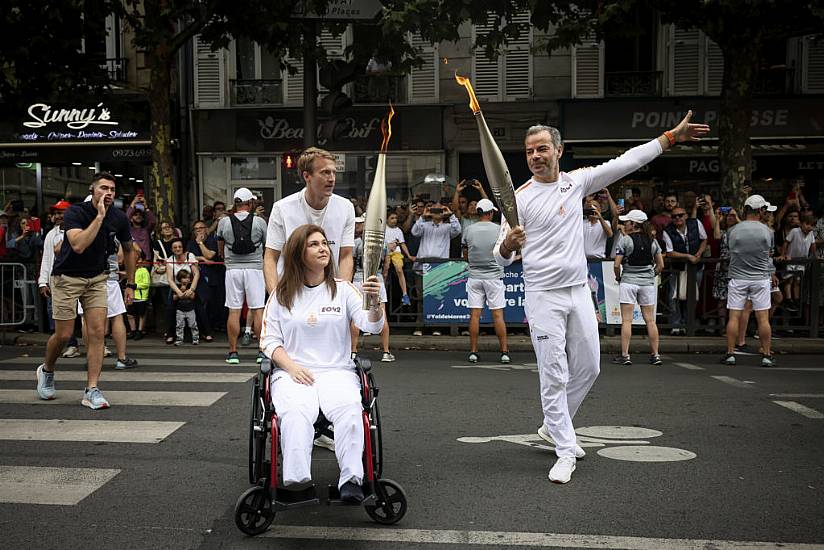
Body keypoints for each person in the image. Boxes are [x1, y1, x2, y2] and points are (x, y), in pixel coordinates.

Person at [494, 113, 709, 484]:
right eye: (529, 151)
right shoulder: (519, 199)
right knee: (554, 374)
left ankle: (552, 426)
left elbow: (627, 161)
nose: (535, 156)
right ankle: (564, 449)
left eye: (542, 148)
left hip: (578, 291)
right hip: (543, 296)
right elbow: (500, 256)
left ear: (559, 151)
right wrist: (508, 247)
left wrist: (670, 138)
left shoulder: (576, 183)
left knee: (590, 367)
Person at [260, 224, 384, 504]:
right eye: (314, 244)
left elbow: (371, 325)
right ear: (297, 253)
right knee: (294, 413)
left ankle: (352, 480)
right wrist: (291, 367)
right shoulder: (281, 295)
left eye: (324, 243)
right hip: (293, 372)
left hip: (337, 371)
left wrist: (374, 300)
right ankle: (296, 479)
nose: (323, 248)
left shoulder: (344, 290)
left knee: (352, 411)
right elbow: (268, 341)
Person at [35, 173, 136, 409]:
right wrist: (100, 217)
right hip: (67, 277)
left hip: (97, 279)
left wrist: (130, 284)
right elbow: (79, 244)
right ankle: (47, 370)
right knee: (63, 334)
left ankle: (92, 389)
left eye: (112, 189)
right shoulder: (75, 213)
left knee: (97, 333)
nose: (109, 193)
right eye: (104, 188)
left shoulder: (119, 218)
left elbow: (130, 250)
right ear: (93, 190)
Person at [264, 147, 355, 294]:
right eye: (325, 172)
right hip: (291, 291)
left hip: (329, 292)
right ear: (307, 176)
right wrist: (275, 297)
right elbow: (270, 257)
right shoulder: (282, 208)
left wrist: (343, 297)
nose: (332, 178)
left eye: (333, 172)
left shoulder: (346, 207)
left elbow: (345, 256)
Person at [721, 195, 778, 367]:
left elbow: (731, 250)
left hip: (738, 277)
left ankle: (730, 353)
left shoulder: (733, 231)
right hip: (760, 278)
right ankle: (766, 354)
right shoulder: (768, 231)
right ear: (760, 211)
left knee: (734, 316)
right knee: (763, 318)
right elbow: (770, 252)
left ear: (745, 210)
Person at [217, 187, 268, 364]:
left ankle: (233, 353)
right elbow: (267, 247)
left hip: (233, 270)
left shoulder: (223, 222)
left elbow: (220, 246)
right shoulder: (259, 222)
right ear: (250, 203)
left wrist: (226, 259)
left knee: (234, 310)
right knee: (258, 309)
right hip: (254, 269)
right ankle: (261, 351)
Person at [611, 210, 664, 366]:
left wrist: (619, 277)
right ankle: (655, 355)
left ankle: (625, 355)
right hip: (647, 283)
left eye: (627, 222)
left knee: (627, 320)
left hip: (628, 281)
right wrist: (650, 275)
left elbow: (616, 264)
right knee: (650, 321)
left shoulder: (625, 240)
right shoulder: (652, 241)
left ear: (634, 224)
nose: (625, 224)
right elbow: (660, 265)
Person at [461, 199, 510, 364]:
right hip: (494, 277)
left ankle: (473, 352)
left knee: (474, 315)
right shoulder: (499, 229)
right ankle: (504, 352)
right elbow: (505, 252)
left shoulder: (468, 230)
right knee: (498, 315)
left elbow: (465, 254)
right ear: (490, 213)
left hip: (475, 276)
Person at [351, 215, 394, 362]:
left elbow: (351, 264)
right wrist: (383, 278)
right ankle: (386, 352)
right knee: (382, 314)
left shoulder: (356, 243)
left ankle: (353, 351)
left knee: (355, 316)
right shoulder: (384, 243)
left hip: (358, 279)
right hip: (377, 279)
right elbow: (387, 265)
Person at [663, 206, 708, 335]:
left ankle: (688, 323)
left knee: (692, 297)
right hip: (678, 268)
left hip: (696, 267)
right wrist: (688, 257)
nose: (677, 218)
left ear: (686, 216)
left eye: (680, 215)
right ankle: (676, 324)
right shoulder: (668, 230)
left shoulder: (695, 223)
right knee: (674, 297)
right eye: (674, 216)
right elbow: (670, 252)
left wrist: (698, 254)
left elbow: (704, 239)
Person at [187, 219, 220, 340]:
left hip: (212, 277)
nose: (199, 230)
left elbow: (210, 255)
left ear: (206, 229)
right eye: (196, 229)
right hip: (197, 277)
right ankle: (204, 331)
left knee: (211, 304)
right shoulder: (191, 243)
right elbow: (188, 256)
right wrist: (201, 258)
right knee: (201, 304)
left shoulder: (212, 240)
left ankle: (210, 329)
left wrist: (200, 244)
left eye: (201, 228)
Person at [779, 212, 816, 313]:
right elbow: (786, 243)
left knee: (797, 281)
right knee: (789, 279)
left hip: (801, 261)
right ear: (801, 223)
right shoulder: (795, 231)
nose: (809, 227)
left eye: (812, 225)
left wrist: (814, 255)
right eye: (807, 224)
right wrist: (783, 255)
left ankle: (796, 299)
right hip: (791, 259)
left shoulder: (811, 234)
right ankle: (788, 299)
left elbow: (813, 245)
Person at [382, 211, 413, 306]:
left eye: (395, 218)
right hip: (385, 252)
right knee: (385, 271)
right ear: (386, 219)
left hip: (396, 253)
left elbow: (403, 244)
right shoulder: (383, 229)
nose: (394, 220)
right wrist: (387, 246)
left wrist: (408, 255)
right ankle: (382, 293)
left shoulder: (398, 230)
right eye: (392, 218)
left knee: (399, 269)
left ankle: (405, 294)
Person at [127, 247, 151, 340]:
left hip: (141, 297)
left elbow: (146, 284)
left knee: (141, 314)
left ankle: (140, 331)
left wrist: (135, 286)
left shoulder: (143, 270)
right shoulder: (132, 270)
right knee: (130, 314)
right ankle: (133, 330)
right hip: (132, 297)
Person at [125, 194, 156, 262]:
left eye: (140, 215)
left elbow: (152, 222)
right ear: (131, 219)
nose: (138, 216)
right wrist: (133, 203)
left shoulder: (146, 230)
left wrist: (146, 206)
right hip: (132, 259)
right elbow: (125, 219)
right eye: (135, 215)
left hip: (146, 260)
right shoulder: (128, 229)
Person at [582, 193, 613, 260]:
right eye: (590, 207)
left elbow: (610, 234)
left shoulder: (605, 223)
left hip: (598, 259)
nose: (592, 209)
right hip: (583, 260)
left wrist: (600, 218)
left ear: (599, 209)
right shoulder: (582, 223)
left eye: (595, 207)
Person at [173, 269, 199, 345]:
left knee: (193, 324)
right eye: (185, 278)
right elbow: (174, 298)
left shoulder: (191, 286)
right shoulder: (176, 287)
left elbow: (193, 297)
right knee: (179, 325)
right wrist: (180, 292)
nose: (187, 279)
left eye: (188, 277)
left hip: (190, 309)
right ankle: (179, 339)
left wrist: (187, 292)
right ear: (180, 279)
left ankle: (195, 338)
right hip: (180, 310)